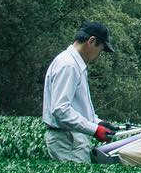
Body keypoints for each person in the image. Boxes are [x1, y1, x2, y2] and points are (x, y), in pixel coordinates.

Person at [42, 21, 118, 163]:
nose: (99, 55)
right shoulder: (68, 65)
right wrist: (94, 130)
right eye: (100, 50)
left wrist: (98, 123)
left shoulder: (75, 64)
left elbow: (78, 108)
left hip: (71, 137)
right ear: (91, 41)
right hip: (67, 140)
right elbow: (60, 110)